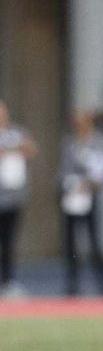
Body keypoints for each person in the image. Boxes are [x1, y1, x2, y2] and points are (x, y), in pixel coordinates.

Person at [59, 109, 103, 296]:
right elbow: (62, 172)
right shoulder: (69, 145)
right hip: (72, 199)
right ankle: (72, 285)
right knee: (71, 244)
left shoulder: (96, 147)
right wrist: (68, 185)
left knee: (94, 243)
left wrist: (89, 184)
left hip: (89, 199)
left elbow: (102, 174)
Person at [0, 100, 37, 295]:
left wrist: (15, 148)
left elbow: (30, 149)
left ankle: (8, 281)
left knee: (9, 241)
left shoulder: (16, 132)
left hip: (13, 197)